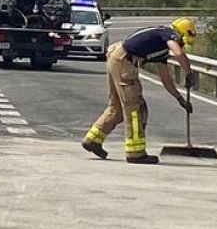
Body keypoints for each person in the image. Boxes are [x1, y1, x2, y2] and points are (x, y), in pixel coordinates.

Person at [80, 17, 197, 165]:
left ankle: (92, 140)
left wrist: (180, 99)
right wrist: (189, 73)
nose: (181, 44)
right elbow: (179, 53)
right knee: (135, 109)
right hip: (124, 61)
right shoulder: (167, 33)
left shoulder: (159, 46)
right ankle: (136, 153)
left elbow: (165, 78)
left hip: (116, 57)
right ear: (182, 33)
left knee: (116, 108)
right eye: (183, 41)